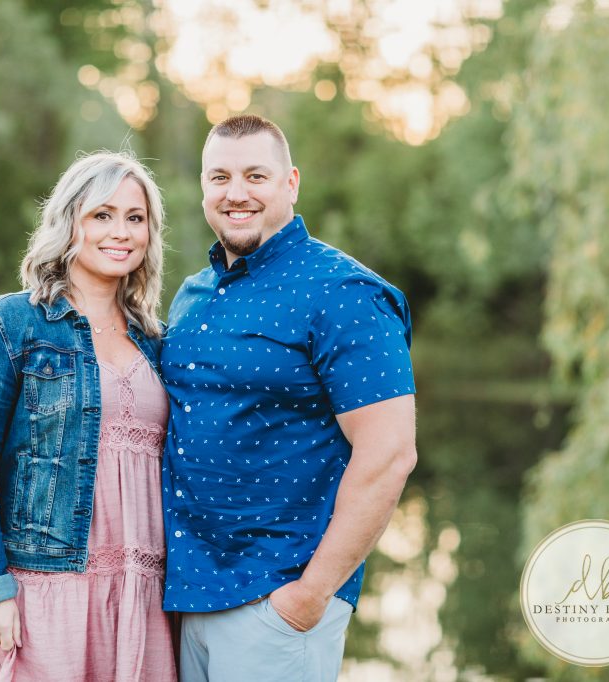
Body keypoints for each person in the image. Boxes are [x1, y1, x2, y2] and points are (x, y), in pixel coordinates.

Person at [160, 114, 418, 682]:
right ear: (203, 187)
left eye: (256, 176)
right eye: (219, 177)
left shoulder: (343, 292)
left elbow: (390, 454)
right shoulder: (191, 295)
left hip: (279, 600)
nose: (236, 193)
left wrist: (310, 596)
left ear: (291, 183)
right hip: (188, 597)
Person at [0, 151, 177, 681]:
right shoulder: (10, 324)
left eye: (135, 218)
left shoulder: (157, 343)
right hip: (45, 589)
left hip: (143, 594)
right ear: (69, 221)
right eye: (102, 214)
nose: (121, 231)